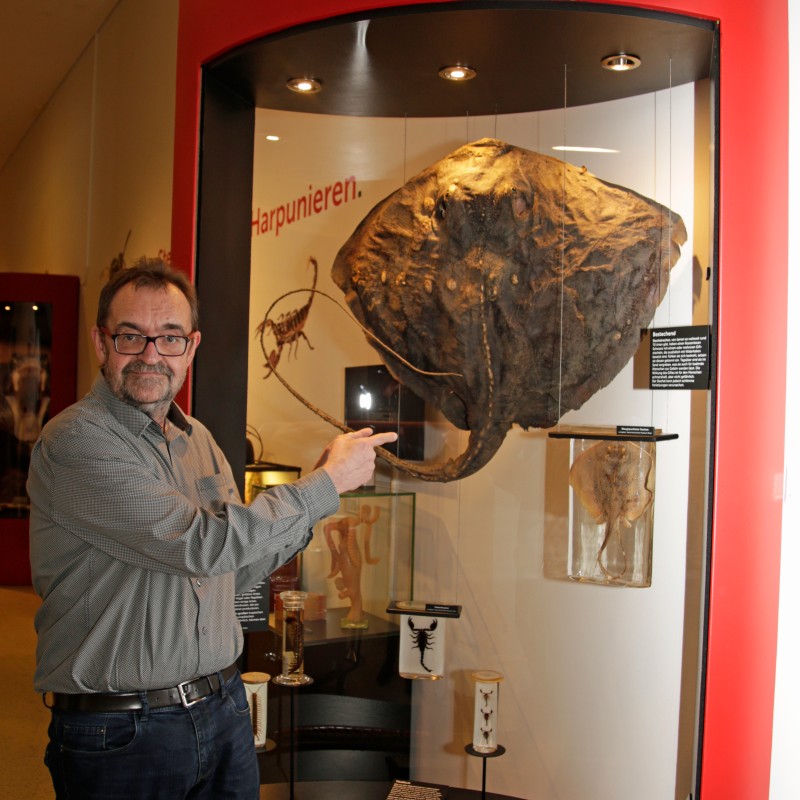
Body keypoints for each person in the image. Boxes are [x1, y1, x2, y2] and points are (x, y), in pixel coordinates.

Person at [27, 257, 397, 799]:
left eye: (170, 338)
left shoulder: (197, 438)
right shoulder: (77, 442)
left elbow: (233, 567)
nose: (151, 355)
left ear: (192, 347)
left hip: (221, 711)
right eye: (132, 336)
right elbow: (201, 545)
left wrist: (317, 498)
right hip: (122, 733)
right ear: (101, 343)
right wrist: (324, 486)